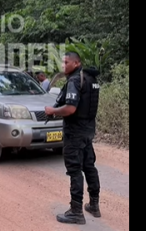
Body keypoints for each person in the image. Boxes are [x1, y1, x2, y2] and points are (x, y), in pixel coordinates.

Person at [44, 51, 101, 224]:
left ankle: (76, 211)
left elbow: (70, 109)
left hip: (75, 132)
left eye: (66, 62)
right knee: (89, 166)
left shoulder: (75, 80)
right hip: (88, 130)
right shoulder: (91, 79)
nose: (64, 65)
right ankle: (94, 205)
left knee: (75, 169)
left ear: (76, 63)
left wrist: (53, 111)